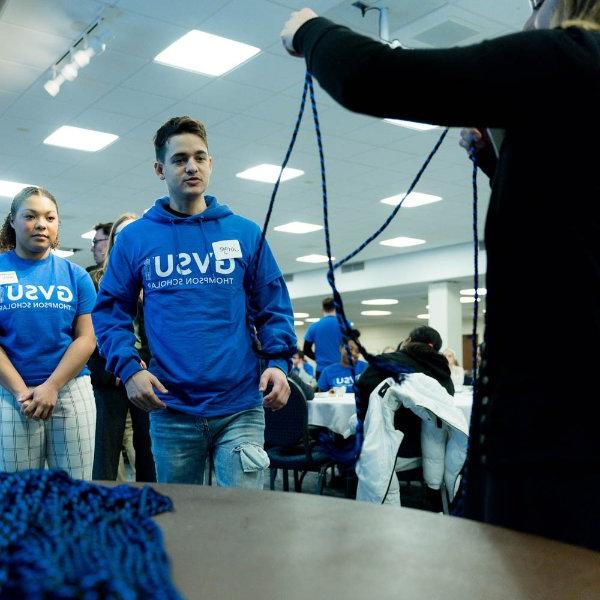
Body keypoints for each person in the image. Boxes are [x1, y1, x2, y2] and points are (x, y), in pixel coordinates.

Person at [281, 1, 600, 549]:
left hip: (561, 415)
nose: (528, 22)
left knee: (538, 568)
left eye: (536, 5)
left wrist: (309, 32)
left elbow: (373, 77)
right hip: (572, 404)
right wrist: (497, 162)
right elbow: (570, 217)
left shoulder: (570, 58)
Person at [92, 116, 296, 488]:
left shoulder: (245, 233)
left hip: (240, 407)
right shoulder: (137, 239)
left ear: (211, 164)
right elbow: (110, 311)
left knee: (243, 520)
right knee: (182, 524)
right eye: (179, 159)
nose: (191, 166)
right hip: (170, 408)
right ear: (160, 169)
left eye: (200, 157)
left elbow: (273, 307)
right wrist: (129, 369)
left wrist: (279, 363)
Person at [0, 186, 97, 478]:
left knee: (74, 490)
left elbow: (87, 337)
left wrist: (52, 387)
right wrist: (21, 392)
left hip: (70, 389)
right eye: (30, 216)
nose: (41, 224)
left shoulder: (76, 275)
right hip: (11, 393)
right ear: (13, 222)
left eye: (50, 217)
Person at [89, 213, 156, 483]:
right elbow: (91, 333)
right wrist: (117, 367)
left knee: (147, 449)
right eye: (121, 235)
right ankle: (103, 511)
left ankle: (150, 507)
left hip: (148, 374)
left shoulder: (155, 280)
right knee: (105, 453)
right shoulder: (95, 280)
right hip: (108, 375)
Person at [303, 296, 343, 377]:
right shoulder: (344, 325)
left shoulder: (313, 327)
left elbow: (306, 350)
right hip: (341, 369)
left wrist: (318, 359)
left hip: (322, 370)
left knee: (323, 390)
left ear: (322, 309)